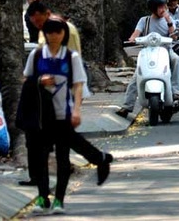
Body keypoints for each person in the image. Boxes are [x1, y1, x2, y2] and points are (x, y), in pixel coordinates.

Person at [24, 16, 111, 215]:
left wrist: (77, 110)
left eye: (58, 32)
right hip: (41, 115)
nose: (54, 36)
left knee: (63, 157)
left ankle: (59, 200)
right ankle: (42, 197)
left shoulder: (71, 57)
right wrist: (40, 81)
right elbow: (27, 79)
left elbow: (78, 85)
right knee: (40, 156)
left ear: (64, 34)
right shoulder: (36, 55)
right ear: (45, 34)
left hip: (64, 112)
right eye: (50, 32)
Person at [115, 0, 179, 118]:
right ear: (153, 8)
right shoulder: (144, 20)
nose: (163, 9)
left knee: (176, 59)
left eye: (164, 6)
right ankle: (127, 106)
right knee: (137, 75)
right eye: (160, 7)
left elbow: (174, 37)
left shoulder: (169, 20)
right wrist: (132, 39)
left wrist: (169, 22)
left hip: (165, 51)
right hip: (148, 52)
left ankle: (175, 92)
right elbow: (136, 33)